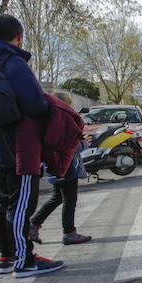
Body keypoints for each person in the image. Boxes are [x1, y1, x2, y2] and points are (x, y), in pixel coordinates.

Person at [0, 14, 64, 278]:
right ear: (19, 37)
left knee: (3, 202)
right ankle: (25, 260)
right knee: (21, 204)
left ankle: (7, 256)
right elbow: (35, 104)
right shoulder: (11, 60)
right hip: (20, 146)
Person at [29, 92, 92, 246]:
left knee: (57, 198)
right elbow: (68, 147)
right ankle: (69, 233)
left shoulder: (46, 120)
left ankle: (34, 225)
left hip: (53, 165)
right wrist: (84, 143)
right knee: (70, 200)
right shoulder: (61, 120)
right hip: (65, 166)